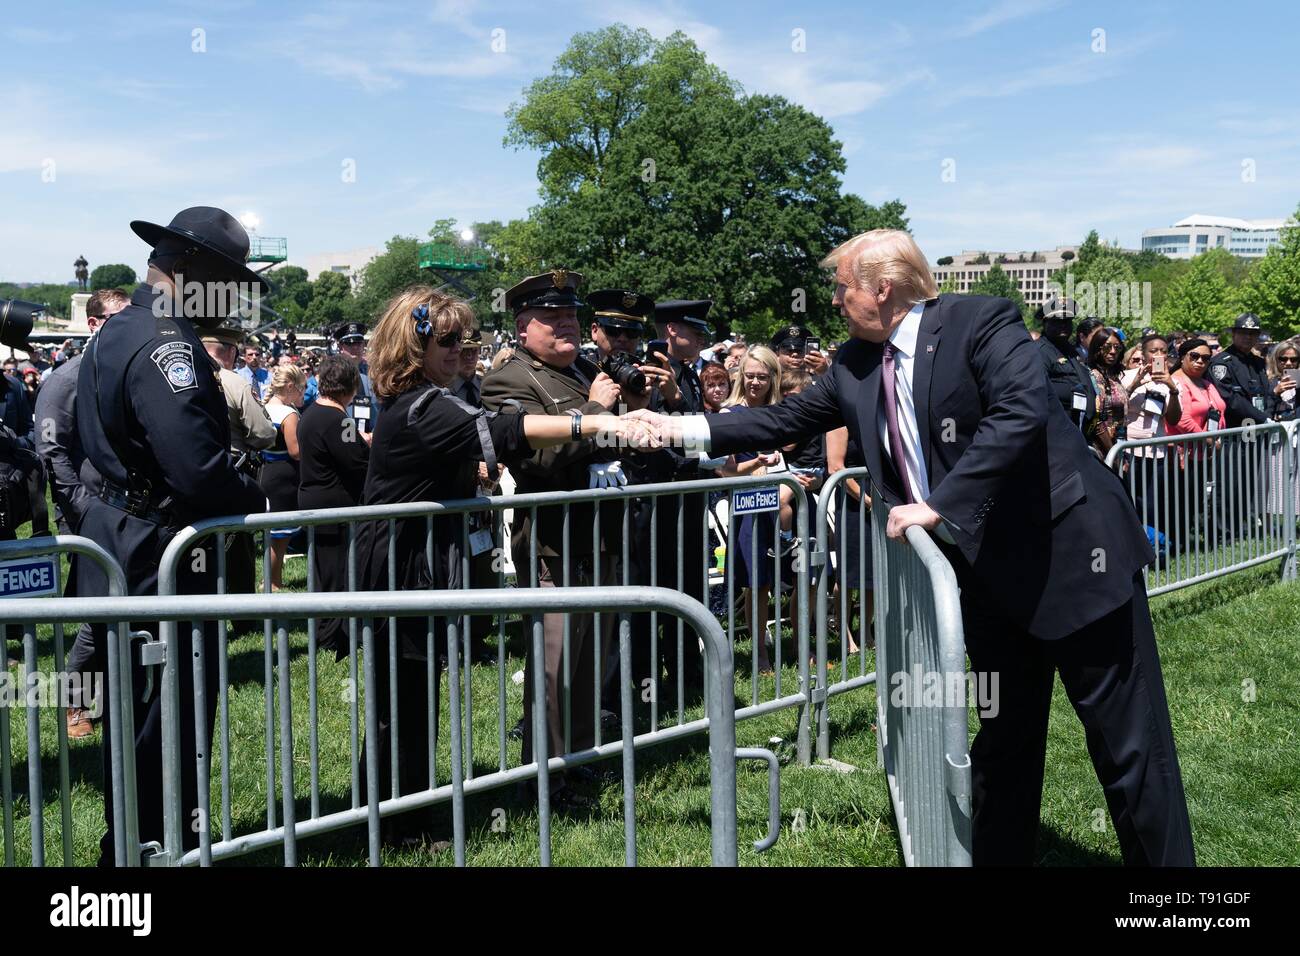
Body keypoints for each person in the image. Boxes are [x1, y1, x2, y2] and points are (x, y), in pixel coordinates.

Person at [631, 228, 1194, 866]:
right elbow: (781, 421)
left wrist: (942, 503)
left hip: (1074, 559)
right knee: (1004, 741)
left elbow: (1021, 409)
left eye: (842, 287)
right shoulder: (852, 363)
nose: (835, 300)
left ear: (882, 288)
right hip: (985, 581)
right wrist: (674, 426)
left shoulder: (979, 320)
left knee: (1130, 749)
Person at [355, 286, 649, 833]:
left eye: (462, 339)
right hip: (402, 560)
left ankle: (395, 809)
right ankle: (397, 820)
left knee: (413, 692)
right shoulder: (425, 404)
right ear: (411, 344)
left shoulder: (430, 397)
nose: (456, 349)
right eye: (443, 339)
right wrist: (592, 420)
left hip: (419, 556)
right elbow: (506, 432)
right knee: (404, 696)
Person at [75, 205, 270, 864]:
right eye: (226, 279)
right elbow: (196, 469)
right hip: (157, 545)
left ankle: (133, 843)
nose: (235, 298)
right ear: (186, 271)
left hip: (121, 532)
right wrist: (255, 496)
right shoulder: (167, 340)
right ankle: (159, 845)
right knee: (174, 709)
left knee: (135, 711)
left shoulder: (122, 328)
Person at [480, 270, 641, 803]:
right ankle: (543, 774)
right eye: (552, 319)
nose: (566, 326)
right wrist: (596, 410)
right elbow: (540, 457)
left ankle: (576, 757)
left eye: (571, 316)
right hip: (553, 540)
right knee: (553, 665)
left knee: (589, 658)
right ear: (524, 328)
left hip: (602, 533)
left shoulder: (586, 370)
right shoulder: (511, 380)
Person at [33, 286, 128, 740]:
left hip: (122, 512)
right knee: (100, 613)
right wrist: (83, 507)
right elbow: (52, 452)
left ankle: (112, 698)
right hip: (87, 515)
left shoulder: (121, 372)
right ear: (93, 323)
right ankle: (74, 702)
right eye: (117, 318)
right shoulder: (67, 379)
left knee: (121, 608)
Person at [627, 298, 714, 708]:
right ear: (672, 331)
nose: (700, 338)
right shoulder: (653, 374)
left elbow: (696, 429)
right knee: (655, 594)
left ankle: (684, 673)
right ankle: (647, 685)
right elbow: (656, 440)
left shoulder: (687, 375)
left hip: (687, 500)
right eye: (693, 330)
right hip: (658, 500)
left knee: (688, 587)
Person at [711, 345, 785, 671]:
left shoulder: (782, 412)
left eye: (762, 377)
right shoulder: (728, 415)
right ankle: (759, 653)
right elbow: (723, 470)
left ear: (773, 379)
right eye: (750, 376)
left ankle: (767, 643)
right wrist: (756, 462)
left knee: (768, 583)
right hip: (745, 509)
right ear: (741, 376)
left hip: (778, 505)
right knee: (754, 582)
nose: (755, 383)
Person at [297, 354, 370, 655]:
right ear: (350, 386)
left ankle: (327, 631)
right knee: (336, 573)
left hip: (316, 500)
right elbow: (358, 462)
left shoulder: (312, 413)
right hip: (335, 506)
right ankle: (332, 636)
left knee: (323, 571)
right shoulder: (337, 419)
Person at [202, 320, 276, 607]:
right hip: (233, 472)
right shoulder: (234, 381)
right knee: (239, 547)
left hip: (191, 472)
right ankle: (243, 612)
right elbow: (263, 433)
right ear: (231, 352)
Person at [1119, 332, 1182, 548]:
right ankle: (1130, 546)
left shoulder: (1169, 381)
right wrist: (1135, 383)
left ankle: (1152, 546)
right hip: (1129, 449)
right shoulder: (1126, 376)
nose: (1159, 355)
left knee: (1153, 503)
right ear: (1143, 354)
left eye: (1163, 351)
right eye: (1153, 351)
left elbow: (1173, 419)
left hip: (1157, 451)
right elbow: (1116, 409)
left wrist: (1172, 390)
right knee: (1131, 500)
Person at [260, 364, 306, 591]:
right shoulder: (289, 414)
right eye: (301, 388)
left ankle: (270, 579)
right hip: (284, 476)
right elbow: (295, 451)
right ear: (290, 386)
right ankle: (272, 582)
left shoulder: (264, 407)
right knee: (280, 536)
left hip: (268, 471)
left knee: (273, 533)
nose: (303, 393)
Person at [1035, 295, 1098, 435]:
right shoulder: (1039, 351)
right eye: (1057, 321)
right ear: (1045, 323)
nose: (1063, 325)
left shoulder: (1071, 351)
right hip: (1056, 430)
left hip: (1080, 429)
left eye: (1067, 321)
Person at [1209, 313, 1273, 428]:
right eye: (1243, 333)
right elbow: (1230, 399)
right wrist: (1262, 417)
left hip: (1259, 426)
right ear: (1234, 334)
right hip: (1235, 429)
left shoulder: (1259, 362)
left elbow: (1266, 393)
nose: (1248, 337)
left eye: (1252, 334)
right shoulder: (1221, 363)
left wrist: (1267, 415)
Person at [1086, 326, 1128, 457]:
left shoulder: (1113, 375)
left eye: (1117, 347)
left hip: (1118, 446)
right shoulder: (1094, 376)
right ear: (1097, 349)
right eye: (1107, 347)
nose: (1113, 351)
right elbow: (1097, 421)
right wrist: (1113, 456)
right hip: (1102, 452)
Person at [332, 321, 377, 439]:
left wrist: (373, 435)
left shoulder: (370, 377)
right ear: (341, 347)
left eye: (359, 343)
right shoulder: (332, 377)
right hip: (343, 440)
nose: (355, 347)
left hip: (367, 442)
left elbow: (377, 412)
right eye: (350, 344)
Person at [1267, 338, 1300, 421]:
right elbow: (1264, 411)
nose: (1288, 363)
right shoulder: (1267, 380)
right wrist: (1275, 392)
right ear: (1276, 360)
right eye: (1283, 359)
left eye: (1293, 359)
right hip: (1277, 429)